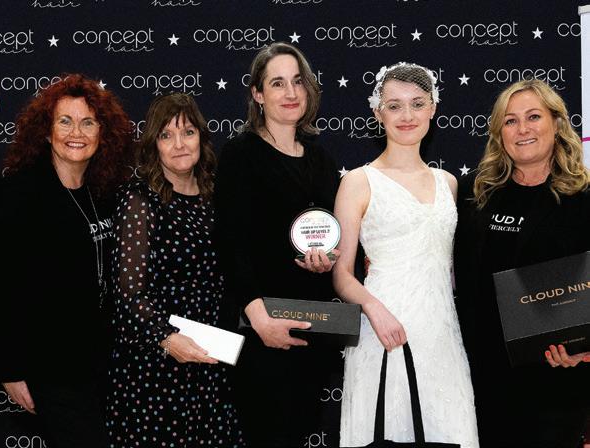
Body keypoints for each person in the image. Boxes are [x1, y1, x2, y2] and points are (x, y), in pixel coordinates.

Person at [333, 62, 479, 447]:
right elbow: (342, 274)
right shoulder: (358, 182)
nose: (407, 115)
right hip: (383, 332)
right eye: (394, 106)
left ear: (433, 108)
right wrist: (374, 309)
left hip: (441, 337)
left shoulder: (449, 183)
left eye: (417, 103)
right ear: (377, 112)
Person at [0, 73, 132, 448]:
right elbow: (1, 286)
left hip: (101, 363)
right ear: (46, 131)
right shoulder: (22, 194)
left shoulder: (104, 192)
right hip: (50, 367)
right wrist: (9, 368)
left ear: (102, 132)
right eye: (65, 121)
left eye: (88, 122)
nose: (77, 132)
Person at [214, 42, 341, 447]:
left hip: (313, 331)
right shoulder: (240, 154)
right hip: (262, 336)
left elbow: (331, 235)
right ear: (257, 94)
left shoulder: (321, 160)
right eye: (277, 83)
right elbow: (230, 244)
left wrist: (328, 260)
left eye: (297, 81)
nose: (290, 93)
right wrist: (259, 320)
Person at [454, 79, 590, 448]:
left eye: (533, 117)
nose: (522, 129)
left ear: (557, 124)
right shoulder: (473, 193)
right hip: (480, 375)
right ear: (499, 133)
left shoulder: (583, 198)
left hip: (556, 376)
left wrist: (585, 347)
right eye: (510, 121)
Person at [105, 92, 244, 447]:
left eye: (188, 132)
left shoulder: (216, 196)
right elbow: (128, 293)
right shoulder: (140, 199)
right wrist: (167, 339)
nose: (179, 144)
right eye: (166, 135)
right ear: (154, 145)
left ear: (201, 137)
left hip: (211, 368)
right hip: (155, 368)